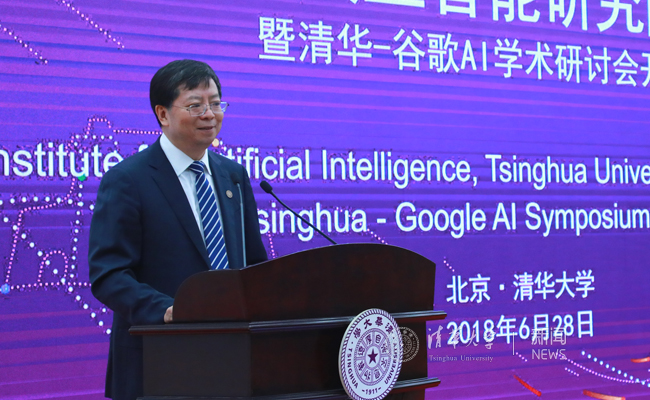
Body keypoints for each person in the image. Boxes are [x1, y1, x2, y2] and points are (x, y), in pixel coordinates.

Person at [88, 59, 268, 400]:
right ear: (163, 114)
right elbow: (108, 274)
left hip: (234, 358)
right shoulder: (128, 180)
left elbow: (254, 264)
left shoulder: (233, 176)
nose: (209, 114)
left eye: (216, 103)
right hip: (158, 360)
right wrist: (169, 310)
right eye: (195, 105)